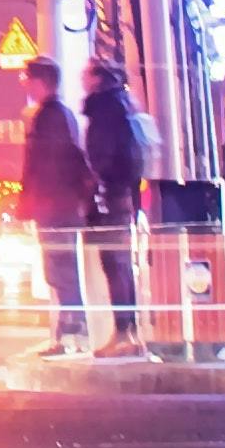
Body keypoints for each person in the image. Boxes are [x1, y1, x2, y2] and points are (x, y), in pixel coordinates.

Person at [12, 56, 99, 353]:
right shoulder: (56, 115)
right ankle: (68, 332)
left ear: (40, 82)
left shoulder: (51, 117)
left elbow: (43, 166)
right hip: (58, 205)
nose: (23, 84)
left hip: (55, 206)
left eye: (26, 79)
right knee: (59, 271)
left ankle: (74, 332)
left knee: (61, 271)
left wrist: (29, 203)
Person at [76, 52, 152, 355]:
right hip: (122, 195)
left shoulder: (104, 109)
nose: (82, 79)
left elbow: (103, 157)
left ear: (97, 77)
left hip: (109, 195)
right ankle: (128, 333)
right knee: (120, 265)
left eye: (86, 73)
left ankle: (122, 334)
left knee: (114, 265)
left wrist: (96, 185)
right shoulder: (122, 105)